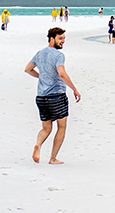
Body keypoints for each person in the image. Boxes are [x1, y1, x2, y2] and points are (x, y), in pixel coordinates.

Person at [24, 27, 81, 165]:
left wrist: (42, 77)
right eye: (60, 39)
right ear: (52, 39)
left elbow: (28, 69)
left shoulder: (40, 53)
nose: (63, 42)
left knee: (46, 128)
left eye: (64, 39)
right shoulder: (58, 55)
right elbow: (61, 73)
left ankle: (38, 144)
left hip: (41, 97)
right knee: (61, 127)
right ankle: (53, 158)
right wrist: (74, 89)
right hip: (57, 97)